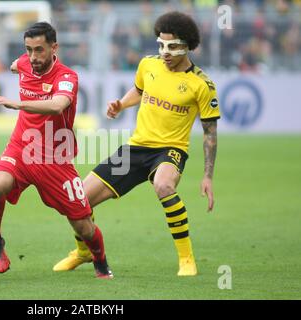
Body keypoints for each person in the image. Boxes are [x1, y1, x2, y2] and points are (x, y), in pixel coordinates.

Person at [53, 11, 220, 276]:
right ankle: (84, 251)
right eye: (161, 45)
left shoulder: (202, 84)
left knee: (163, 185)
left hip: (169, 150)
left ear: (188, 46)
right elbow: (140, 91)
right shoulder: (148, 65)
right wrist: (121, 103)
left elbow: (210, 133)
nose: (165, 52)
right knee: (78, 199)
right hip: (135, 149)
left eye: (172, 46)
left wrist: (207, 176)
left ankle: (186, 258)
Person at [0, 22, 113, 279]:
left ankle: (100, 262)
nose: (33, 57)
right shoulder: (23, 63)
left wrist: (18, 104)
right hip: (21, 146)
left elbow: (57, 105)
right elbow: (15, 65)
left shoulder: (67, 77)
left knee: (82, 225)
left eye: (39, 50)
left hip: (55, 158)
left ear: (54, 48)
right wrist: (17, 66)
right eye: (29, 50)